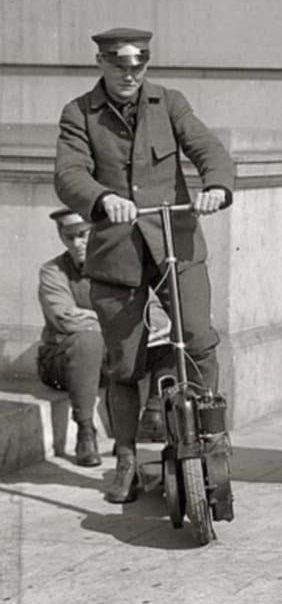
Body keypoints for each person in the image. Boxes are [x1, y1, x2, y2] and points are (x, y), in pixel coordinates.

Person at [54, 27, 234, 503]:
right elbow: (68, 174)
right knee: (124, 364)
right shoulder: (79, 114)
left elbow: (208, 149)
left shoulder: (169, 102)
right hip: (118, 251)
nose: (130, 74)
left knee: (197, 337)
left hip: (176, 241)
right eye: (119, 65)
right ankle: (128, 457)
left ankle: (211, 438)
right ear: (102, 63)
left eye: (138, 65)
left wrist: (215, 185)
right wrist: (102, 198)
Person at [37, 209, 105, 467]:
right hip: (60, 362)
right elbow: (65, 318)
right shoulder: (53, 271)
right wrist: (111, 322)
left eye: (83, 235)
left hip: (105, 360)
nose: (77, 244)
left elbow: (151, 315)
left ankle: (154, 415)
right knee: (87, 340)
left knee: (173, 335)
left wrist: (90, 316)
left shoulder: (116, 267)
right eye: (70, 238)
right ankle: (86, 432)